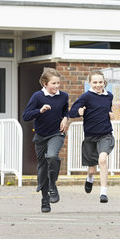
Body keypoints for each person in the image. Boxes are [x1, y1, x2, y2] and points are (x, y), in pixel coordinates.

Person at [23, 67, 70, 213]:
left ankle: (52, 185)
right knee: (42, 168)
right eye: (53, 84)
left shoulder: (63, 96)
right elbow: (26, 116)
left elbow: (65, 111)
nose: (57, 86)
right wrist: (40, 111)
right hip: (41, 136)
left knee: (51, 156)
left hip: (56, 133)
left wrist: (65, 118)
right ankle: (45, 200)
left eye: (58, 83)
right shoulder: (37, 97)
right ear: (45, 83)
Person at [68, 70, 114, 203]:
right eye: (95, 82)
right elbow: (71, 112)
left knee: (103, 159)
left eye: (100, 82)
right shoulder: (86, 97)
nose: (98, 85)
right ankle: (90, 177)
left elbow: (108, 110)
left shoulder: (108, 96)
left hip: (105, 134)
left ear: (104, 82)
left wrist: (111, 114)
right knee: (92, 169)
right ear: (90, 83)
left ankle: (103, 192)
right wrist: (79, 111)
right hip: (90, 137)